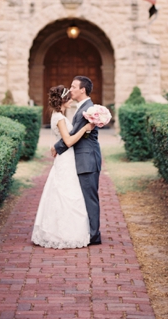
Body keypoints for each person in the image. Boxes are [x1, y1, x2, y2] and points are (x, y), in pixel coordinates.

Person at [32, 85, 94, 249]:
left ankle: (64, 230)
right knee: (66, 193)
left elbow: (63, 139)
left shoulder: (58, 115)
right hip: (66, 159)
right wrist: (85, 129)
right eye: (69, 98)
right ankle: (62, 233)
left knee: (64, 192)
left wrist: (56, 145)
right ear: (63, 100)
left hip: (66, 158)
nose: (71, 100)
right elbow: (69, 141)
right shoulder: (59, 117)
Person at [51, 76, 103, 245]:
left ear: (83, 90)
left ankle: (94, 236)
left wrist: (57, 146)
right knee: (82, 197)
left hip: (87, 159)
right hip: (78, 158)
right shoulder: (81, 107)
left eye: (73, 87)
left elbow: (74, 134)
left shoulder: (89, 109)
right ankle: (87, 231)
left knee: (89, 197)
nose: (70, 89)